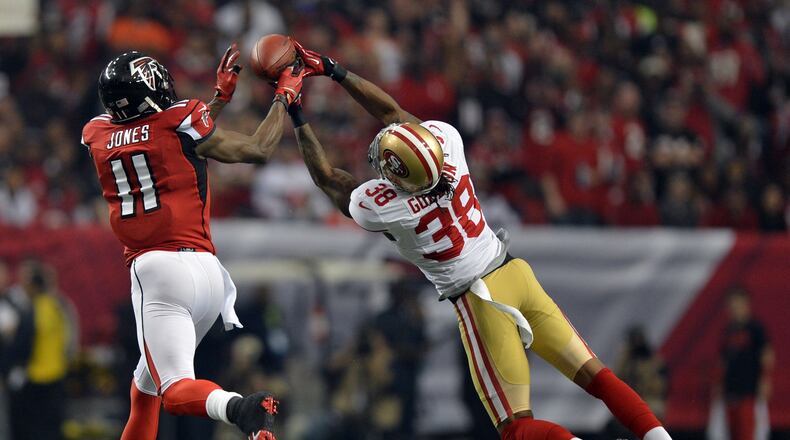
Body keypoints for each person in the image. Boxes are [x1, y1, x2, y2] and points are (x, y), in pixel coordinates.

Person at [284, 40, 673, 440]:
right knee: (598, 377)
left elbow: (327, 177)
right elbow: (393, 113)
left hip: (482, 299)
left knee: (515, 427)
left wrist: (295, 110)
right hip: (514, 271)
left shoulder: (383, 207)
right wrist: (333, 69)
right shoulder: (448, 144)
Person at [81, 43, 305, 440]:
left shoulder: (97, 134)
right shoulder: (180, 120)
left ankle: (240, 408)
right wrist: (284, 95)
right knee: (146, 388)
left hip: (159, 274)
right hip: (208, 274)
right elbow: (254, 148)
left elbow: (160, 144)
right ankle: (240, 408)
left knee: (175, 391)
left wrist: (218, 101)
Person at [8, 261, 76, 440]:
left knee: (33, 427)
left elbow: (24, 343)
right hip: (57, 372)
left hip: (37, 375)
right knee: (53, 425)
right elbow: (68, 338)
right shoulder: (57, 306)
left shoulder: (34, 309)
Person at [715, 288, 773, 440]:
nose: (734, 308)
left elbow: (766, 354)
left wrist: (765, 379)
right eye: (731, 304)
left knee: (747, 432)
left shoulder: (755, 328)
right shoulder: (728, 330)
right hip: (730, 389)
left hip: (749, 389)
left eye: (737, 304)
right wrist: (719, 384)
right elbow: (723, 361)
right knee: (731, 432)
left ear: (746, 304)